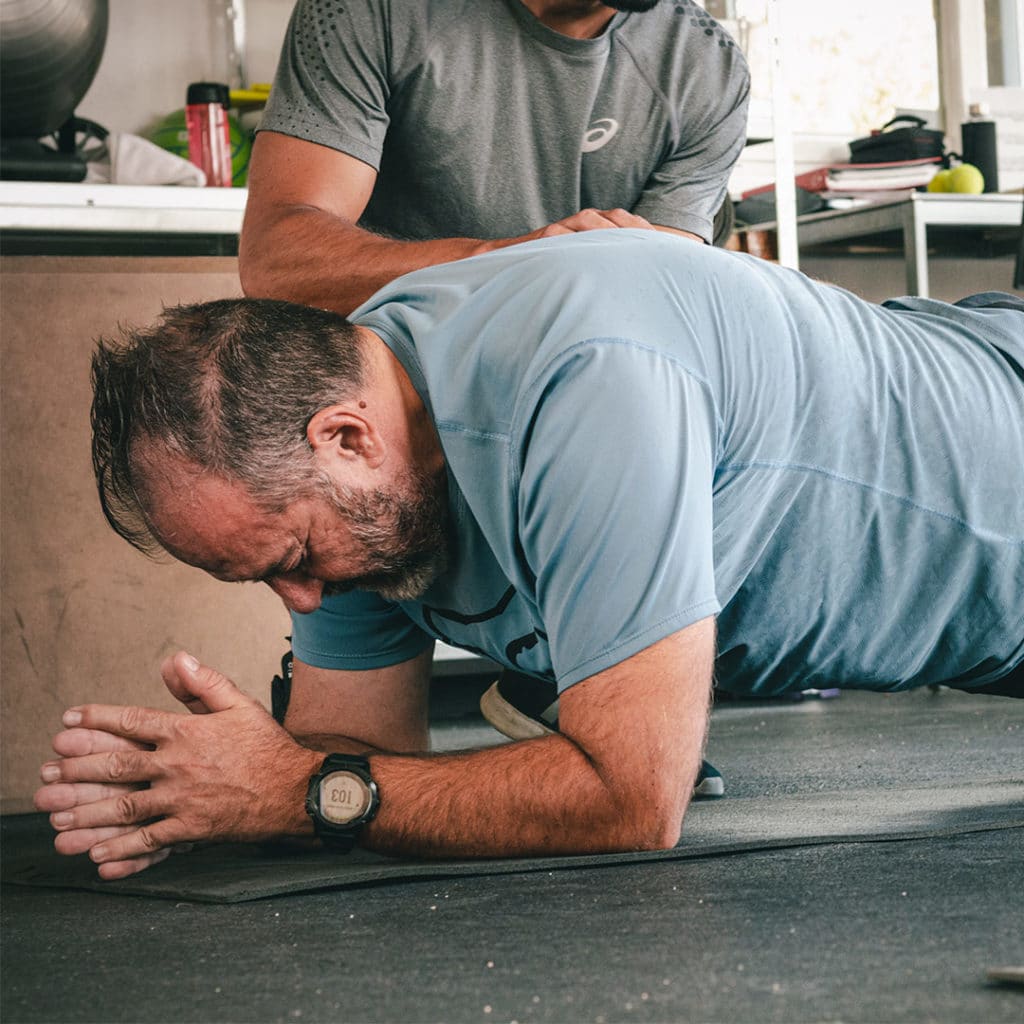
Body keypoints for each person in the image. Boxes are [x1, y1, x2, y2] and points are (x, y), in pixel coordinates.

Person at [37, 232, 1023, 880]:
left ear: (346, 436)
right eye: (262, 576)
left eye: (293, 554)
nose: (300, 595)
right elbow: (360, 765)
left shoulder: (586, 378)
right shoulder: (367, 468)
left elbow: (633, 794)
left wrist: (287, 789)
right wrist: (216, 781)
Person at [238, 0, 751, 317]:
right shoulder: (369, 10)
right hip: (380, 361)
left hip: (569, 370)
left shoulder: (708, 67)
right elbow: (275, 261)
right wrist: (511, 262)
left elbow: (657, 296)